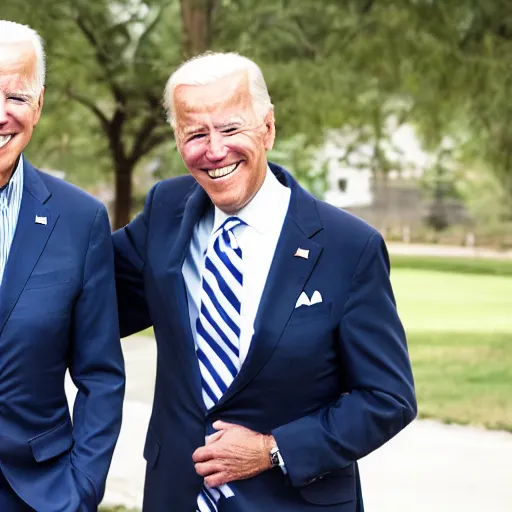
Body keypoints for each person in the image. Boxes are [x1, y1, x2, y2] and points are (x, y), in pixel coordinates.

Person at [114, 52, 416, 512]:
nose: (214, 150)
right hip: (175, 496)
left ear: (268, 128)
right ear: (178, 140)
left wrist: (273, 449)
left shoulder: (348, 246)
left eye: (231, 129)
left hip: (293, 501)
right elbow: (73, 290)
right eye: (196, 133)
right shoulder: (164, 212)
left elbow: (387, 398)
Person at [0, 21, 125, 511]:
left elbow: (101, 376)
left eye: (16, 96)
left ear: (40, 103)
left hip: (38, 492)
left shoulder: (80, 219)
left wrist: (81, 490)